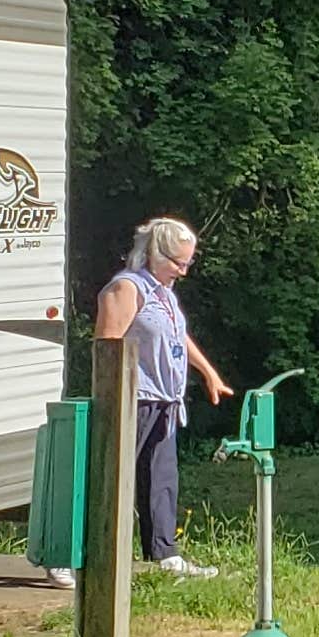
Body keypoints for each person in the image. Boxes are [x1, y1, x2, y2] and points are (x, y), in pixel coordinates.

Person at [94, 216, 231, 578]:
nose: (183, 272)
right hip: (133, 401)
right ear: (156, 253)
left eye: (188, 263)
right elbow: (107, 347)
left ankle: (164, 555)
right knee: (113, 478)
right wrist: (114, 403)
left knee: (162, 478)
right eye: (178, 263)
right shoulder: (127, 288)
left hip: (166, 400)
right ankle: (88, 555)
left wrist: (208, 372)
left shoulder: (164, 293)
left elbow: (176, 335)